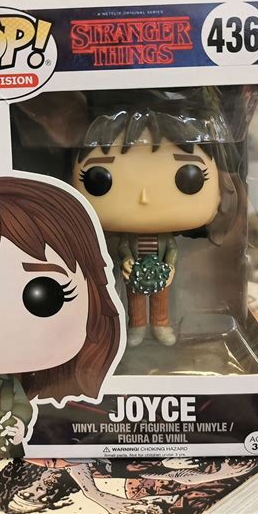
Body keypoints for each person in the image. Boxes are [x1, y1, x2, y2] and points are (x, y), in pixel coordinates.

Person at [0, 176, 123, 457]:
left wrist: (19, 425)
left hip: (11, 441)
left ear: (94, 295)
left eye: (44, 295)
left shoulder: (11, 386)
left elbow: (22, 407)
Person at [73, 88, 239, 348]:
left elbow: (171, 249)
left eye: (189, 177)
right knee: (135, 300)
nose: (144, 197)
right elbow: (123, 247)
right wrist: (126, 261)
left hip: (162, 273)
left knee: (161, 299)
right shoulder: (127, 237)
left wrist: (170, 267)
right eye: (99, 179)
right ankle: (137, 327)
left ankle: (161, 325)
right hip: (134, 273)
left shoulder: (166, 237)